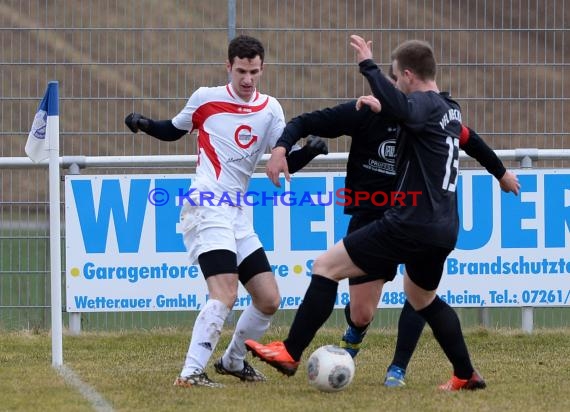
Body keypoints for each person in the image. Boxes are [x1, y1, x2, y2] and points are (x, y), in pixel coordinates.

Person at [245, 36, 492, 391]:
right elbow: (315, 121)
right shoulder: (446, 109)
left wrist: (367, 64)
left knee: (326, 267)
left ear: (405, 77)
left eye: (394, 79)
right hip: (439, 226)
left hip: (406, 222)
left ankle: (290, 351)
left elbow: (419, 115)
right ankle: (466, 373)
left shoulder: (420, 106)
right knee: (420, 298)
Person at [269, 90, 520, 387]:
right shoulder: (364, 112)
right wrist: (282, 147)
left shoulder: (426, 118)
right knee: (362, 313)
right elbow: (306, 122)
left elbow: (468, 138)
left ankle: (397, 368)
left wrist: (500, 172)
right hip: (371, 218)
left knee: (416, 294)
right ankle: (356, 332)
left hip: (411, 219)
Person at [124, 34, 326, 388]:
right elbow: (174, 130)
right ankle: (189, 373)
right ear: (228, 67)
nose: (248, 80)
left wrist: (310, 151)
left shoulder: (271, 110)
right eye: (241, 71)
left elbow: (281, 162)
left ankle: (232, 361)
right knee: (225, 293)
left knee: (268, 298)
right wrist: (145, 124)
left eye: (254, 72)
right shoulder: (206, 99)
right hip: (206, 203)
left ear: (262, 69)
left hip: (236, 212)